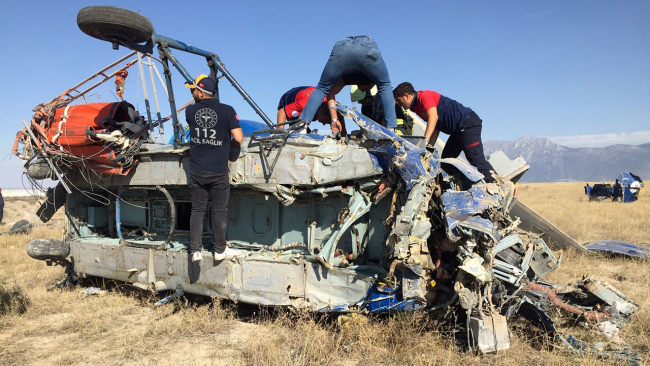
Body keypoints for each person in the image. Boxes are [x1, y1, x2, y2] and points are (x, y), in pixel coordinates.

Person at [185, 74, 243, 262]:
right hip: (218, 170)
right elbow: (239, 137)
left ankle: (195, 250)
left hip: (196, 170)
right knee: (219, 212)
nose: (192, 93)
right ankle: (219, 250)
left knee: (197, 211)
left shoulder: (190, 111)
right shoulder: (227, 110)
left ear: (201, 92)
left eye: (194, 90)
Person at [394, 82, 496, 182]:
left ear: (406, 96)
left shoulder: (424, 96)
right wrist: (429, 147)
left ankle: (498, 184)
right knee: (446, 162)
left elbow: (433, 117)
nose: (400, 105)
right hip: (456, 131)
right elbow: (435, 126)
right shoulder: (415, 108)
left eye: (399, 101)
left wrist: (422, 144)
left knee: (476, 159)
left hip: (467, 123)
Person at [299, 36, 397, 133]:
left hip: (342, 47)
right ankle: (391, 129)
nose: (363, 91)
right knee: (385, 85)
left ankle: (301, 127)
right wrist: (334, 119)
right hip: (366, 46)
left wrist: (334, 119)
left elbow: (330, 93)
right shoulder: (372, 76)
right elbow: (386, 91)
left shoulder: (343, 79)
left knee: (322, 88)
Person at [277, 86, 345, 133]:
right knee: (298, 131)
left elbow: (341, 121)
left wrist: (343, 136)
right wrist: (280, 132)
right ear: (320, 111)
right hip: (289, 97)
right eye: (323, 120)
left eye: (328, 123)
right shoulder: (304, 105)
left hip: (308, 91)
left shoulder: (334, 107)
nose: (323, 124)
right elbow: (282, 112)